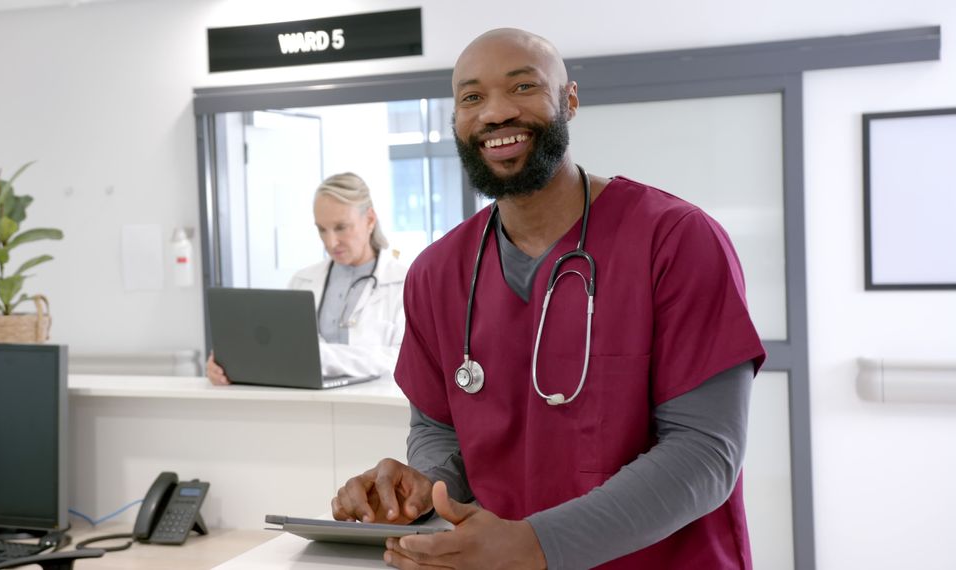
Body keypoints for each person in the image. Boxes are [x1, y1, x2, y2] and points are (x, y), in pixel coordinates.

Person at [330, 28, 766, 570]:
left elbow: (705, 454)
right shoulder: (436, 273)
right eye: (471, 97)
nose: (494, 113)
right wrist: (425, 488)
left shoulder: (675, 241)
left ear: (570, 101)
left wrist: (537, 544)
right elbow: (439, 428)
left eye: (522, 87)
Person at [207, 172, 408, 384]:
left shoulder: (404, 283)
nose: (330, 242)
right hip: (310, 409)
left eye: (341, 227)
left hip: (374, 407)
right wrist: (229, 364)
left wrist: (322, 357)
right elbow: (278, 349)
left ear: (369, 220)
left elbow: (401, 359)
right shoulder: (302, 281)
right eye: (322, 229)